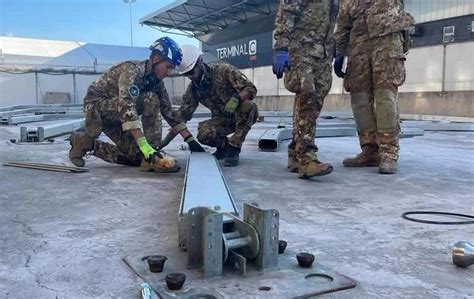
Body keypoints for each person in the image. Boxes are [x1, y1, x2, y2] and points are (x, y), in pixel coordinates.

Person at [68, 37, 204, 172]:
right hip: (97, 109)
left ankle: (84, 143)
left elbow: (168, 112)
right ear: (156, 59)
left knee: (135, 157)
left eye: (172, 68)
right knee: (150, 98)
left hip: (119, 114)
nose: (169, 72)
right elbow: (126, 105)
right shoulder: (131, 70)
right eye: (168, 67)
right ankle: (151, 152)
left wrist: (189, 139)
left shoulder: (157, 83)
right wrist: (145, 145)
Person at [333, 0, 414, 174]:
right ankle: (369, 150)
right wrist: (339, 52)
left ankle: (388, 153)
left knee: (385, 96)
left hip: (387, 37)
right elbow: (343, 23)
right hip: (357, 45)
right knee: (359, 98)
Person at [272, 0, 339, 179]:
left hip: (323, 53)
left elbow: (331, 22)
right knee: (307, 97)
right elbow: (286, 12)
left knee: (316, 101)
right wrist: (281, 47)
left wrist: (337, 51)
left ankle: (295, 153)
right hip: (301, 49)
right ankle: (307, 158)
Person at [165, 44, 258, 167]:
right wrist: (177, 140)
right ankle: (224, 148)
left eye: (192, 72)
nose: (190, 77)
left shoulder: (224, 71)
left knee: (249, 106)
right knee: (204, 133)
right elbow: (182, 115)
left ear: (200, 62)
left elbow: (251, 88)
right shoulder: (193, 89)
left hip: (240, 114)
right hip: (222, 120)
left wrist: (236, 99)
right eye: (187, 74)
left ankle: (234, 148)